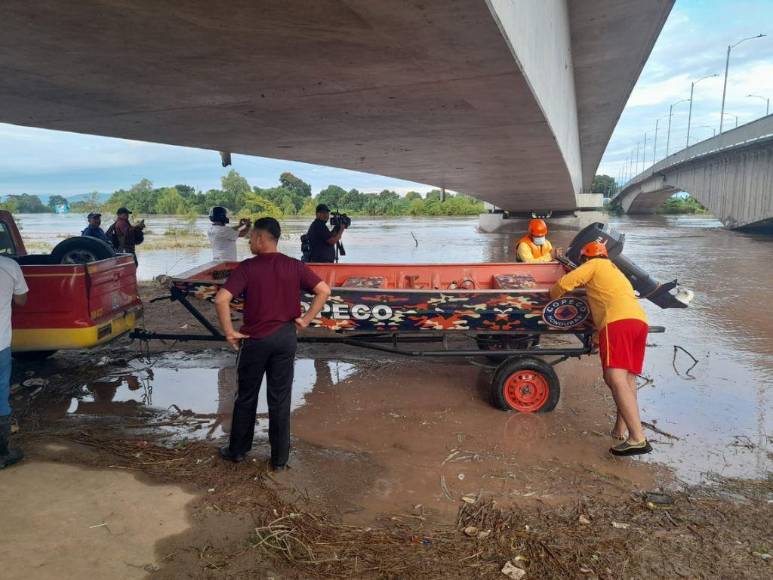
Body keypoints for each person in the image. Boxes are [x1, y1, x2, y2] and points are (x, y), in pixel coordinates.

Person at [214, 217, 330, 469]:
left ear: (260, 238)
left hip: (255, 340)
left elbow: (221, 299)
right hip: (285, 338)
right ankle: (279, 459)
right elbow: (324, 290)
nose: (249, 243)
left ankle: (238, 450)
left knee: (246, 396)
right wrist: (306, 320)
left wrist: (229, 332)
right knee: (280, 398)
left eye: (251, 238)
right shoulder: (294, 265)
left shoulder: (247, 268)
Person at [549, 241, 651, 457]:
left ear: (585, 258)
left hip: (618, 323)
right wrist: (596, 336)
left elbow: (565, 283)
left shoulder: (593, 264)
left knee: (614, 377)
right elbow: (604, 300)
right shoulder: (615, 270)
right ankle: (620, 431)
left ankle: (638, 438)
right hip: (639, 321)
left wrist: (550, 297)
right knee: (627, 379)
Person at [0, 255, 29, 469]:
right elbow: (21, 300)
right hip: (0, 344)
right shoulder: (9, 266)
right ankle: (2, 454)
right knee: (0, 396)